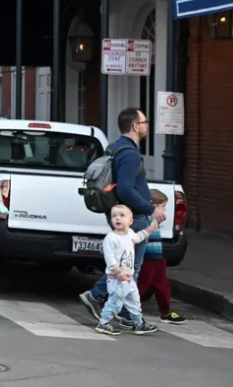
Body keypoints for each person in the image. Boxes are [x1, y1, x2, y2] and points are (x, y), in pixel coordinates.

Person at [80, 107, 165, 326]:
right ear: (135, 126)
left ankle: (127, 314)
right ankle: (97, 295)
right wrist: (150, 208)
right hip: (133, 217)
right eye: (144, 122)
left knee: (129, 267)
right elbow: (126, 189)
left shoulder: (116, 148)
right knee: (130, 268)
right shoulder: (130, 154)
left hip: (123, 213)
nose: (147, 126)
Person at [95, 204, 160, 336]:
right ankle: (103, 323)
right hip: (116, 279)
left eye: (122, 216)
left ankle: (138, 324)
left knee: (135, 302)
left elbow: (138, 238)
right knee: (115, 302)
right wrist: (117, 271)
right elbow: (109, 257)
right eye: (114, 216)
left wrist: (149, 229)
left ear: (130, 221)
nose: (117, 218)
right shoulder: (111, 238)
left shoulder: (130, 234)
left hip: (129, 278)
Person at [137, 189, 187, 324]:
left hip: (157, 259)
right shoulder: (145, 220)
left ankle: (165, 312)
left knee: (163, 287)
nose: (164, 211)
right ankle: (123, 309)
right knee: (141, 286)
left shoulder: (154, 221)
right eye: (163, 207)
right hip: (147, 259)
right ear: (152, 207)